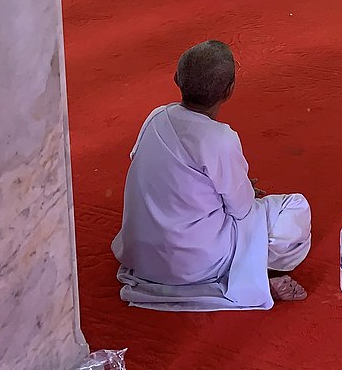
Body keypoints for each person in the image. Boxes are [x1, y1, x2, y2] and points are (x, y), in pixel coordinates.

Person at [112, 41, 311, 309]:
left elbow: (153, 170)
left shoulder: (157, 117)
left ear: (176, 79)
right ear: (229, 90)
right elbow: (241, 210)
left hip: (144, 256)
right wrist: (240, 189)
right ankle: (248, 274)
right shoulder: (220, 139)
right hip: (198, 261)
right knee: (295, 210)